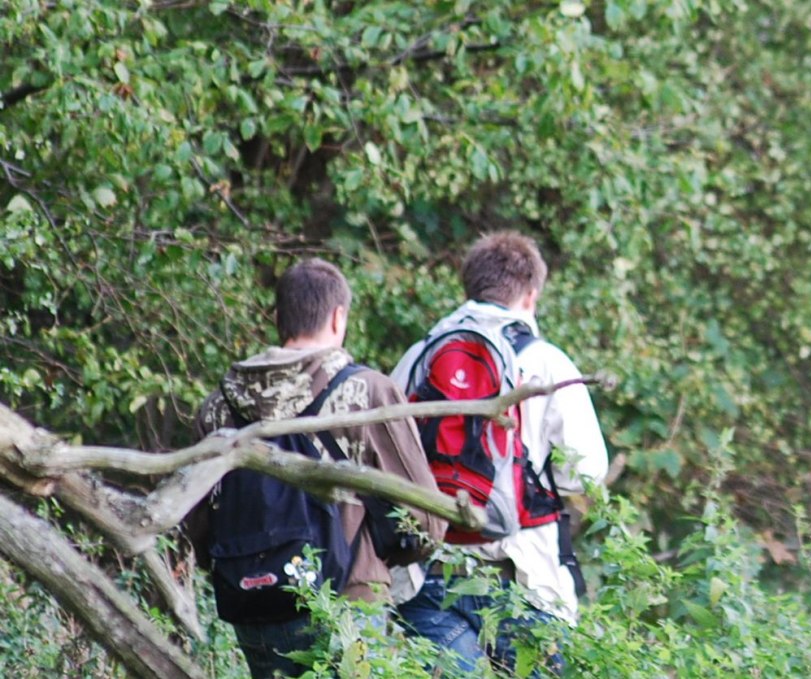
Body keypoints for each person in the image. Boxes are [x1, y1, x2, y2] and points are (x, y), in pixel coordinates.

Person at [189, 258, 446, 678]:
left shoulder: (219, 406)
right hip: (346, 601)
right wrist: (383, 561)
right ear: (338, 316)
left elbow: (199, 523)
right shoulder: (365, 393)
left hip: (252, 605)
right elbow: (424, 521)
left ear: (278, 318)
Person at [390, 232, 609, 673]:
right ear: (531, 295)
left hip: (427, 575)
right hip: (525, 577)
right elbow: (585, 473)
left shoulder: (419, 356)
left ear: (470, 289)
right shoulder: (546, 364)